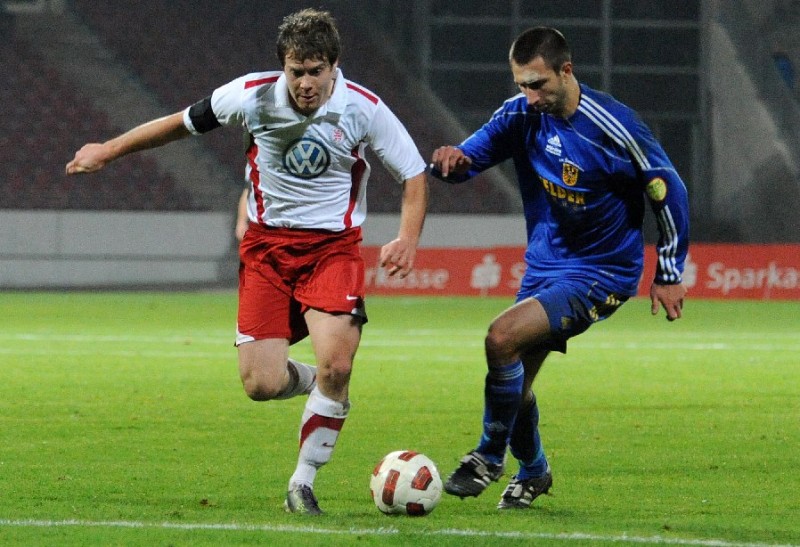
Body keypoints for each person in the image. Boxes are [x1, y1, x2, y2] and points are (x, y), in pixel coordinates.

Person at [66, 8, 428, 515]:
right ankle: (322, 385)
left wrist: (407, 238)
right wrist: (109, 149)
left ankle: (302, 481)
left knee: (339, 362)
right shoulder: (250, 95)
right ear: (284, 66)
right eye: (296, 71)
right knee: (262, 384)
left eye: (316, 71)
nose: (306, 83)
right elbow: (178, 125)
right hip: (266, 251)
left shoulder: (364, 108)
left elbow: (413, 174)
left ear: (334, 67)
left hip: (332, 249)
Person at [430, 26, 688, 510]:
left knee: (500, 338)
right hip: (545, 268)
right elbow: (471, 158)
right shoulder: (521, 115)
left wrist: (669, 272)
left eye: (538, 84)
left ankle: (488, 455)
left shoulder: (615, 127)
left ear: (566, 71)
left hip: (603, 271)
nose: (530, 96)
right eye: (521, 85)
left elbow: (668, 190)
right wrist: (451, 162)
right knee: (515, 382)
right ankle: (534, 471)